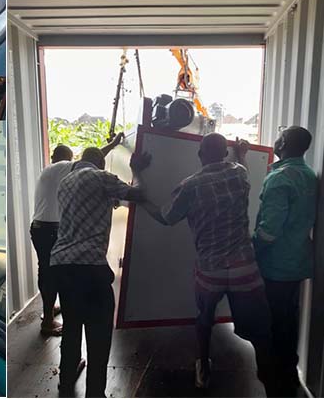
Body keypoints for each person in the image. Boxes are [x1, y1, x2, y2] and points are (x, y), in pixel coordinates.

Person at [139, 134, 275, 393]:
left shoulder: (190, 185)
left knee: (205, 317)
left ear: (200, 154)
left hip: (209, 268)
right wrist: (243, 154)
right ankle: (266, 375)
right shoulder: (239, 175)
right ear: (225, 154)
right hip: (243, 266)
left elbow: (165, 217)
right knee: (257, 325)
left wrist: (140, 198)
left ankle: (203, 367)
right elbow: (244, 168)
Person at [50, 147, 149, 397]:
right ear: (101, 164)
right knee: (99, 334)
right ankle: (95, 391)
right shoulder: (100, 177)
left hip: (62, 264)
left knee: (71, 327)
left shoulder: (65, 183)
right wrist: (137, 170)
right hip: (90, 267)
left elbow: (100, 204)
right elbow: (137, 194)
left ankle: (66, 379)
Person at [31, 134, 124, 336]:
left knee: (45, 272)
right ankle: (48, 322)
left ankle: (48, 311)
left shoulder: (49, 170)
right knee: (53, 276)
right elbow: (90, 162)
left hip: (38, 228)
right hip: (51, 229)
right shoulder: (67, 167)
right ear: (68, 158)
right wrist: (113, 144)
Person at [253, 126, 317, 394]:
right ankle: (288, 370)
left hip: (276, 264)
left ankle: (273, 378)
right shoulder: (308, 174)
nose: (276, 139)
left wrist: (249, 250)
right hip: (298, 261)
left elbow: (269, 231)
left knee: (273, 320)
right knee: (288, 317)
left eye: (280, 136)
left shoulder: (280, 179)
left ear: (284, 144)